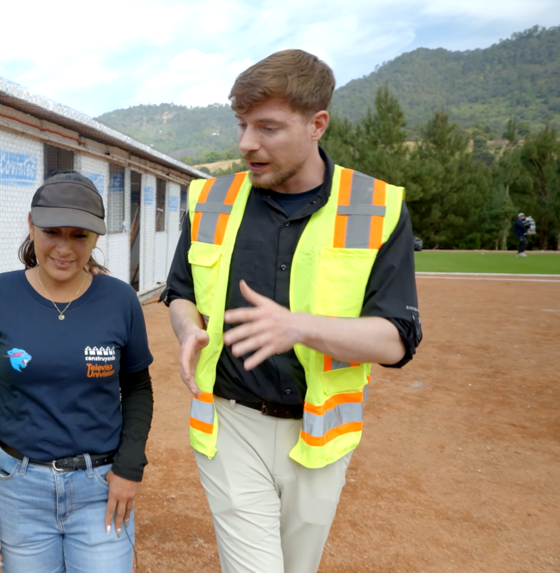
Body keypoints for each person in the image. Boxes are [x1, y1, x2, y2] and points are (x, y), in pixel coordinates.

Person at [163, 50, 421, 573]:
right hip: (230, 424)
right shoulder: (209, 200)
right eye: (241, 125)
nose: (246, 144)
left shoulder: (376, 207)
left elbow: (395, 339)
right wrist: (188, 326)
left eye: (268, 128)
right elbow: (180, 291)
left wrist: (298, 327)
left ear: (316, 124)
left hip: (321, 435)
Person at [0, 171, 154, 573]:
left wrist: (129, 468)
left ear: (97, 238)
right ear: (31, 225)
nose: (65, 249)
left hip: (101, 488)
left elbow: (137, 388)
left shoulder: (120, 300)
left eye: (80, 235)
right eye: (52, 231)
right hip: (18, 489)